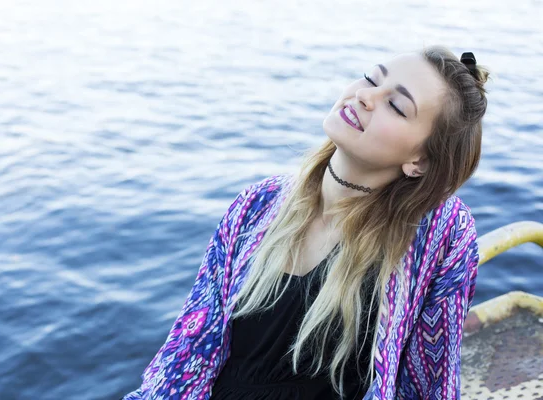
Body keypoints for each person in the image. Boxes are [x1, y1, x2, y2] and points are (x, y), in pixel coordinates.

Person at [121, 45, 489, 400]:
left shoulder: (440, 233)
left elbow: (430, 377)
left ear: (420, 161)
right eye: (370, 79)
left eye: (395, 105)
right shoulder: (255, 205)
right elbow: (191, 344)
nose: (365, 96)